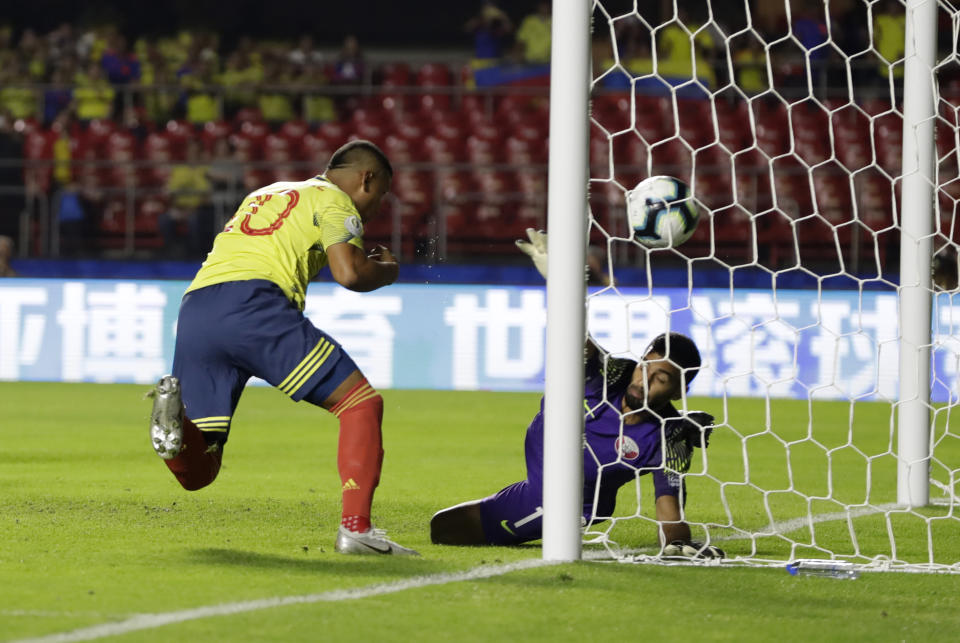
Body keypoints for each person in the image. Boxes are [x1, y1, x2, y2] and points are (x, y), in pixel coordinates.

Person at [148, 140, 417, 556]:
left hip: (197, 308)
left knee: (200, 466)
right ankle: (356, 529)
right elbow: (350, 274)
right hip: (255, 307)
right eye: (380, 195)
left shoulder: (267, 192)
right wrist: (389, 271)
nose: (378, 207)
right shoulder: (335, 201)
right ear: (367, 179)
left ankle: (173, 429)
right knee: (360, 404)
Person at [430, 229, 723, 558]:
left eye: (661, 378)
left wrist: (677, 543)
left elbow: (668, 502)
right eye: (645, 366)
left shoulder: (669, 437)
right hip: (545, 457)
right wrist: (561, 283)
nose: (644, 379)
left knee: (447, 532)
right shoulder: (615, 373)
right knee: (439, 525)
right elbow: (581, 345)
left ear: (680, 391)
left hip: (566, 500)